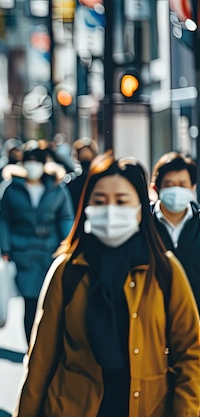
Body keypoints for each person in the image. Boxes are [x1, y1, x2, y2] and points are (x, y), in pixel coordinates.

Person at [14, 152, 200, 417]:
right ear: (87, 208)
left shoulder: (165, 270)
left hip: (148, 406)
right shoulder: (68, 270)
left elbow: (190, 353)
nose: (111, 210)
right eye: (100, 201)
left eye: (122, 201)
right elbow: (40, 360)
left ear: (140, 210)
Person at [0, 140, 74, 344]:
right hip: (23, 253)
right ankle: (31, 346)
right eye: (28, 161)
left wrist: (66, 245)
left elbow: (65, 218)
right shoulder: (11, 188)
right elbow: (3, 219)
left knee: (51, 300)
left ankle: (48, 345)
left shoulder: (58, 187)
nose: (33, 165)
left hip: (51, 251)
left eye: (37, 161)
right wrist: (5, 248)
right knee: (30, 303)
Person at [151, 152, 200, 307]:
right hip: (154, 319)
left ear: (192, 187)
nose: (176, 191)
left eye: (182, 185)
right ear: (156, 187)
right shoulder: (143, 224)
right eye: (169, 185)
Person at [64, 137, 100, 210]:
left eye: (88, 153)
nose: (86, 155)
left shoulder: (99, 180)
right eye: (82, 153)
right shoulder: (72, 181)